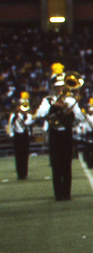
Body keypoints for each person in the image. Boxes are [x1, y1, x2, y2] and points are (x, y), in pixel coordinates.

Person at [36, 71, 84, 200]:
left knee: (67, 165)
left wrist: (69, 112)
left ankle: (67, 193)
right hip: (54, 133)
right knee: (56, 165)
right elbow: (40, 114)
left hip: (66, 133)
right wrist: (52, 107)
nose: (59, 88)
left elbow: (80, 118)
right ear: (53, 87)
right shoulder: (47, 100)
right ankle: (58, 194)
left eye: (62, 85)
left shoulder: (70, 100)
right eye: (57, 86)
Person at [7, 93, 34, 180]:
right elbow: (10, 126)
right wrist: (11, 134)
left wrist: (24, 115)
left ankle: (25, 173)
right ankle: (20, 174)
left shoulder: (28, 116)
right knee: (18, 155)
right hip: (17, 136)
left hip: (25, 136)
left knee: (25, 155)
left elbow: (28, 123)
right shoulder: (13, 116)